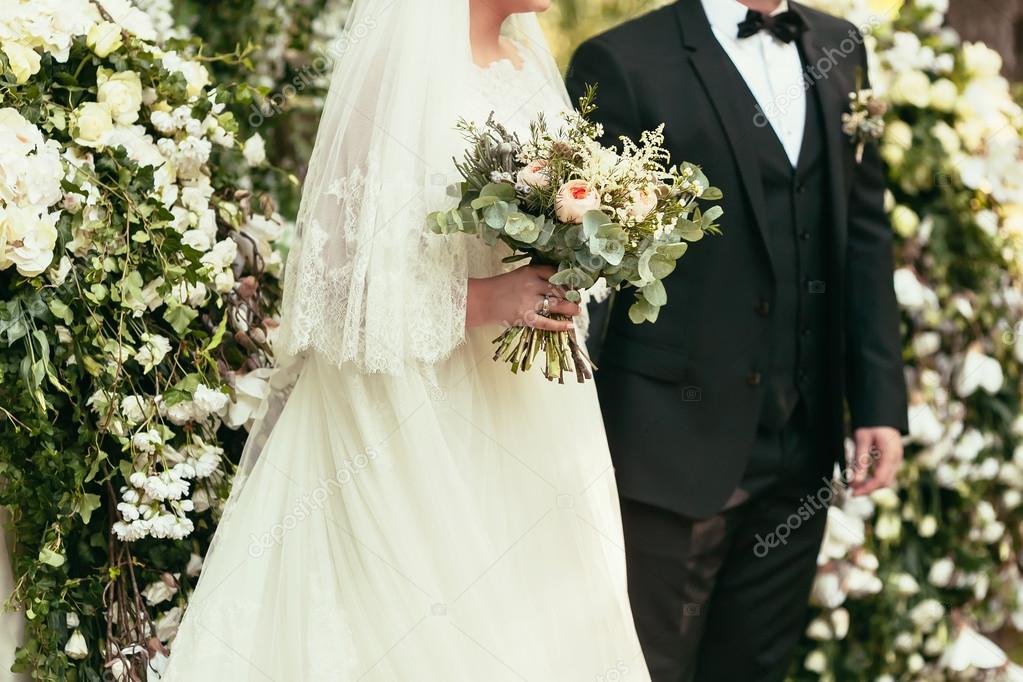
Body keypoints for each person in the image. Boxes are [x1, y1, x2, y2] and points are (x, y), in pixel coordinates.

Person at [160, 1, 650, 680]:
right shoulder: (398, 68)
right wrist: (483, 300)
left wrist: (577, 268)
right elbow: (331, 289)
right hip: (404, 411)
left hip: (528, 414)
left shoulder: (530, 70)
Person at [567, 0, 908, 679]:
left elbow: (862, 235)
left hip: (800, 450)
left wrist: (877, 402)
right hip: (665, 455)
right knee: (642, 668)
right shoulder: (622, 61)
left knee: (753, 667)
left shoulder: (841, 47)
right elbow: (585, 272)